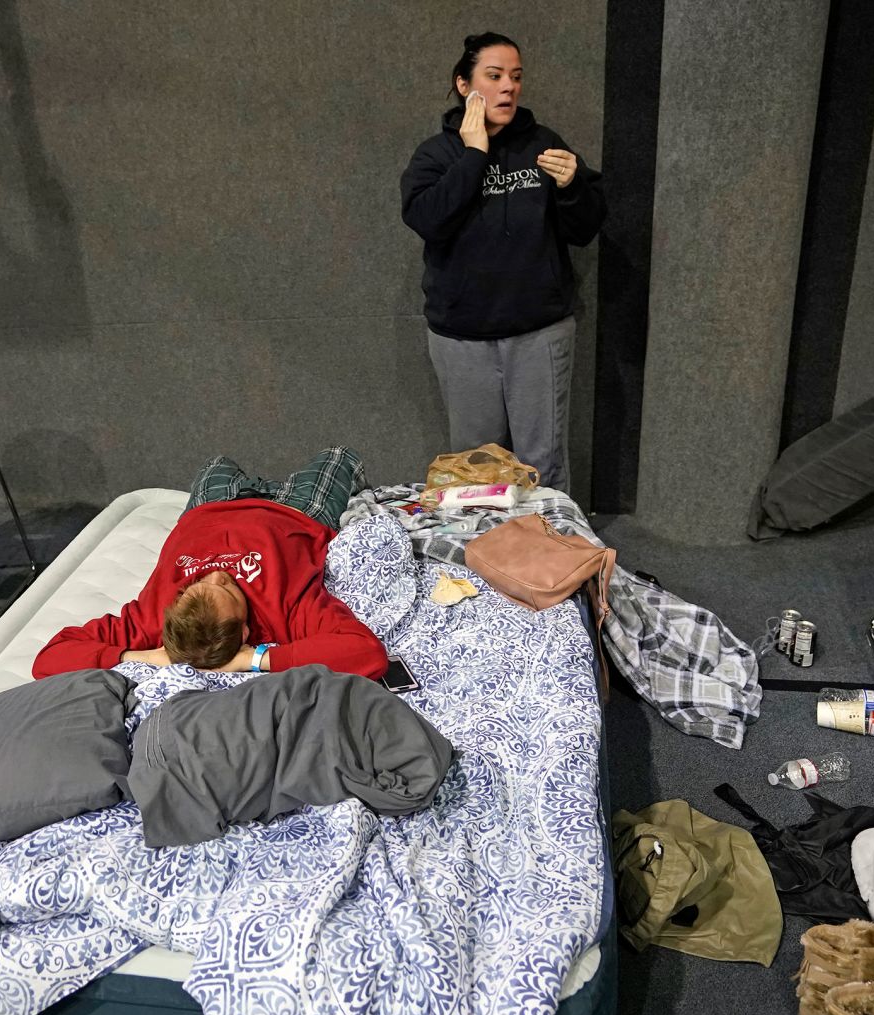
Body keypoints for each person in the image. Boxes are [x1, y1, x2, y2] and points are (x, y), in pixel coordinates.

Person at [400, 31, 606, 493]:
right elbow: (428, 220)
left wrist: (574, 188)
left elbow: (585, 229)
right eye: (494, 76)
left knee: (543, 464)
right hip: (463, 339)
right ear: (463, 85)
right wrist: (475, 154)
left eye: (515, 77)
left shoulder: (544, 143)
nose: (508, 87)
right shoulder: (437, 155)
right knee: (476, 469)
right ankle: (484, 561)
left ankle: (551, 559)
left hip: (539, 332)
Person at [31, 447, 388, 680]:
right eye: (228, 590)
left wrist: (136, 655)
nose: (217, 573)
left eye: (194, 586)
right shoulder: (286, 612)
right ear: (245, 632)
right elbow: (365, 653)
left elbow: (50, 656)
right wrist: (256, 660)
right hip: (299, 512)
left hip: (209, 509)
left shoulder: (151, 616)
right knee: (340, 456)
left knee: (218, 462)